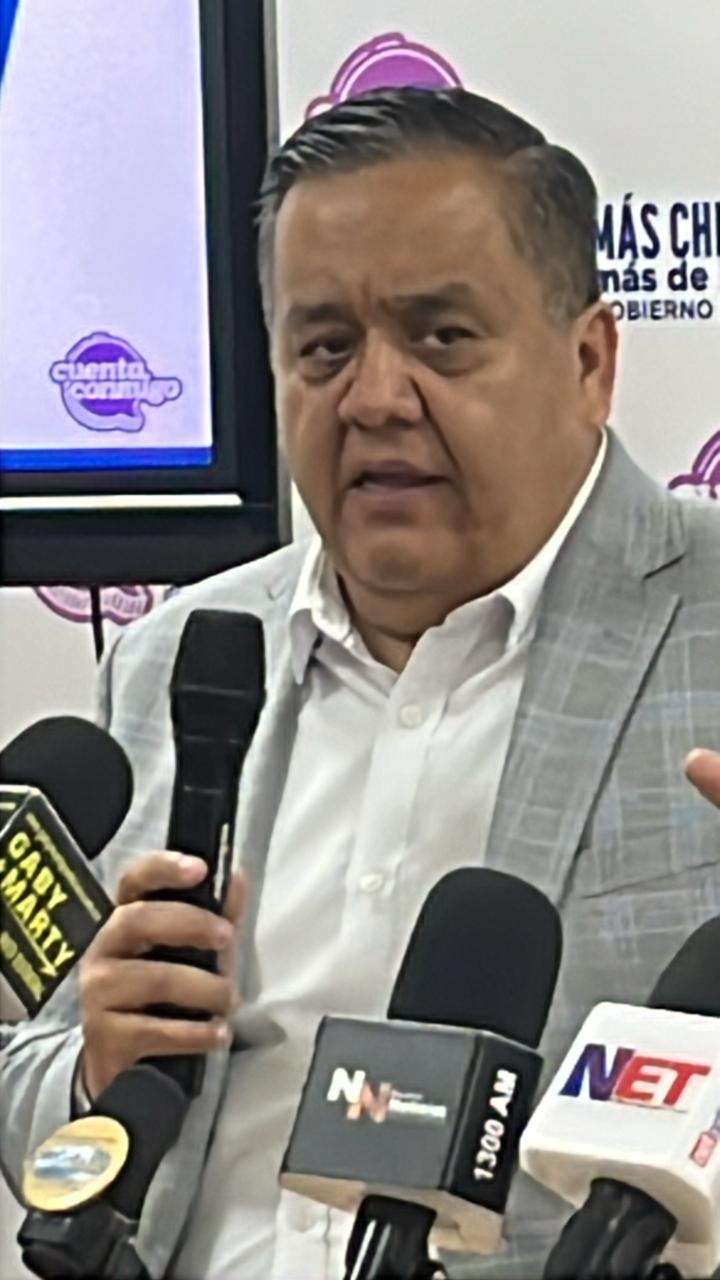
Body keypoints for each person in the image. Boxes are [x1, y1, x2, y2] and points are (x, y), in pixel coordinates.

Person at [3, 88, 720, 1280]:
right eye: (325, 348)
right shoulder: (173, 658)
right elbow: (30, 1069)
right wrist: (93, 1068)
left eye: (442, 337)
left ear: (590, 361)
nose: (376, 397)